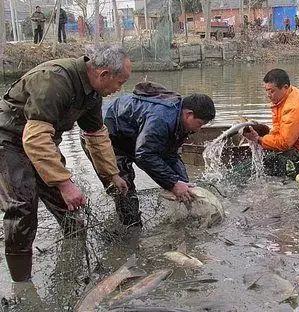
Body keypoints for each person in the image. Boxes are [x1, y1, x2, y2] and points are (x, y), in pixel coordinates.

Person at [0, 45, 131, 286]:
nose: (117, 90)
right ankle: (22, 285)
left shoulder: (92, 93)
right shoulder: (55, 79)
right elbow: (35, 137)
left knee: (70, 208)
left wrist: (112, 175)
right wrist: (64, 182)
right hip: (8, 141)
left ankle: (70, 266)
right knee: (22, 208)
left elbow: (96, 136)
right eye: (119, 83)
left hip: (41, 143)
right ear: (104, 75)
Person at [82, 81, 216, 227]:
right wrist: (173, 184)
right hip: (101, 134)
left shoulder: (180, 119)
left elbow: (169, 155)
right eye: (200, 124)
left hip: (129, 136)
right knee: (123, 187)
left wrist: (182, 182)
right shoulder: (161, 118)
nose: (199, 129)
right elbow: (145, 155)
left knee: (179, 184)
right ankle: (131, 232)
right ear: (189, 114)